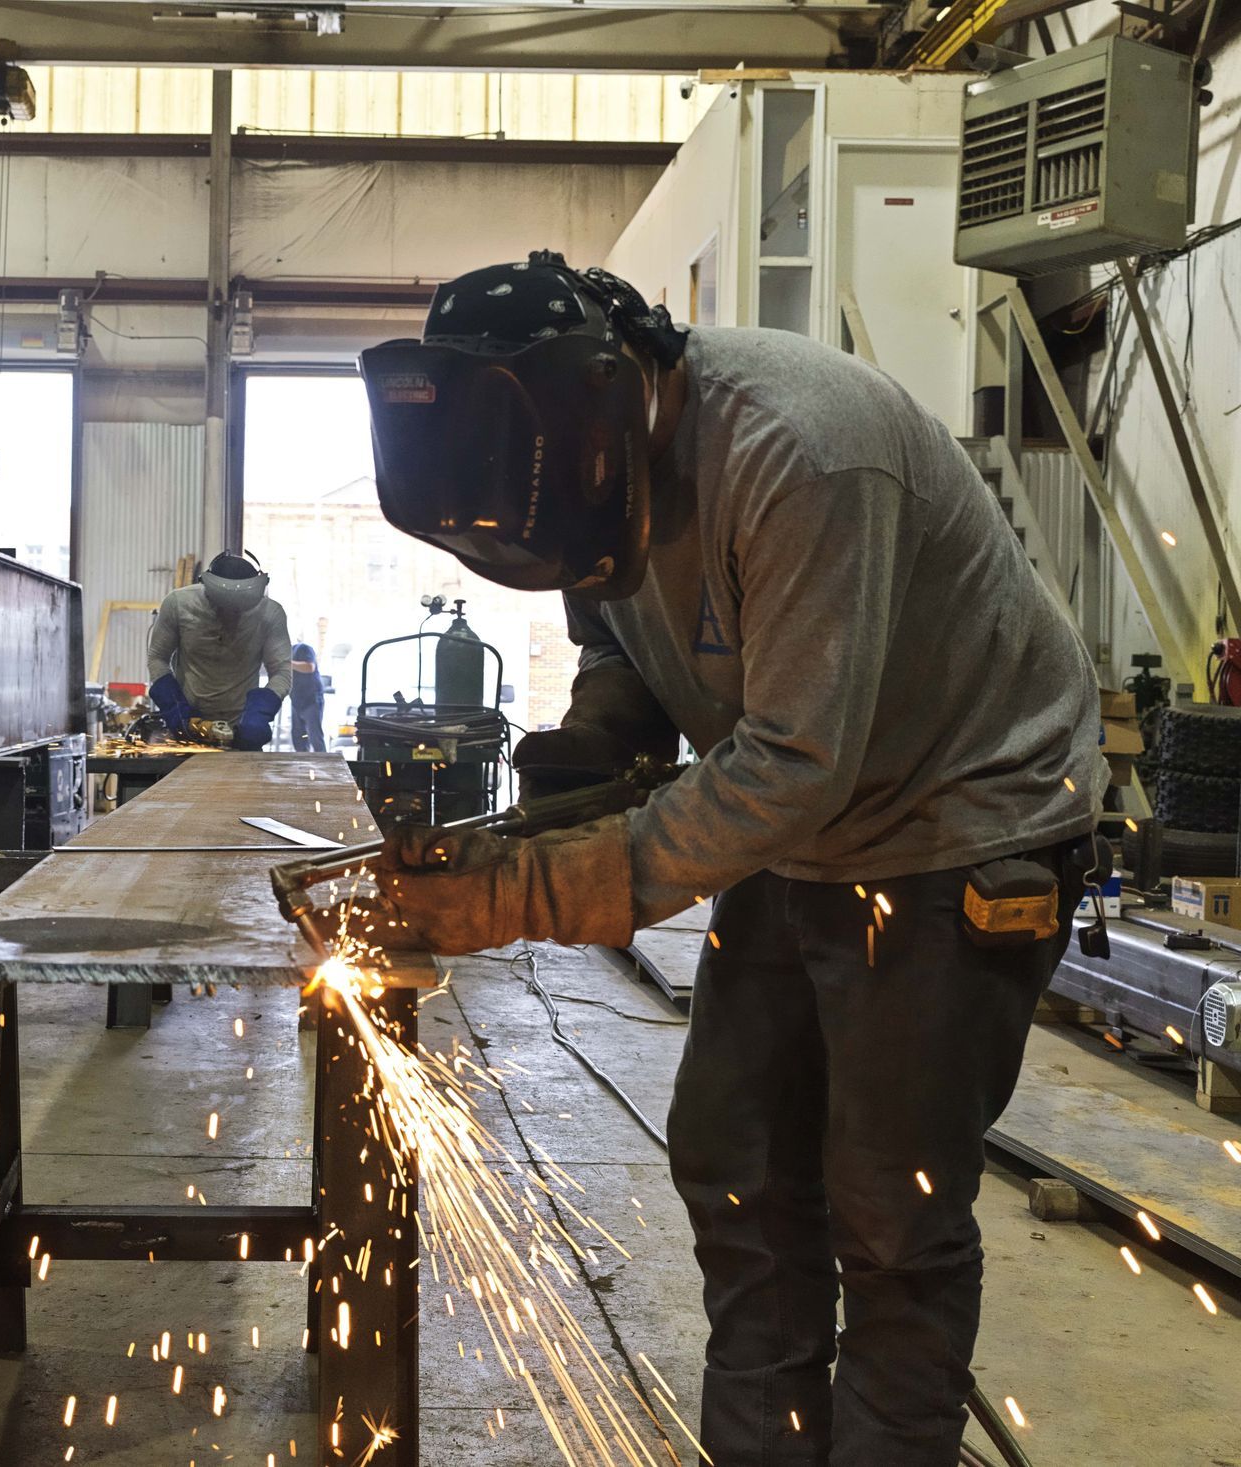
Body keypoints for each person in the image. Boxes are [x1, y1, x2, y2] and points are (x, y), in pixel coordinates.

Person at [356, 251, 1108, 1467]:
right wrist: (599, 739)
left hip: (955, 822)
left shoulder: (802, 454)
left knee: (891, 1211)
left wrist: (528, 892)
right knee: (741, 1168)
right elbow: (609, 615)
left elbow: (795, 764)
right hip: (803, 821)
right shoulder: (567, 473)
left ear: (613, 408)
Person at [146, 551, 292, 750]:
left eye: (240, 609)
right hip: (191, 728)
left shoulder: (270, 614)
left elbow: (282, 672)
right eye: (223, 607)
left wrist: (259, 713)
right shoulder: (179, 605)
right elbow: (157, 658)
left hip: (241, 731)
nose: (231, 614)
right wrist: (175, 707)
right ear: (206, 589)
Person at [289, 642, 327, 752]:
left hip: (311, 699)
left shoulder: (303, 648)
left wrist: (287, 663)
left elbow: (310, 667)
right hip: (296, 700)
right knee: (298, 738)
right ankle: (303, 765)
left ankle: (322, 764)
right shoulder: (284, 654)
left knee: (314, 736)